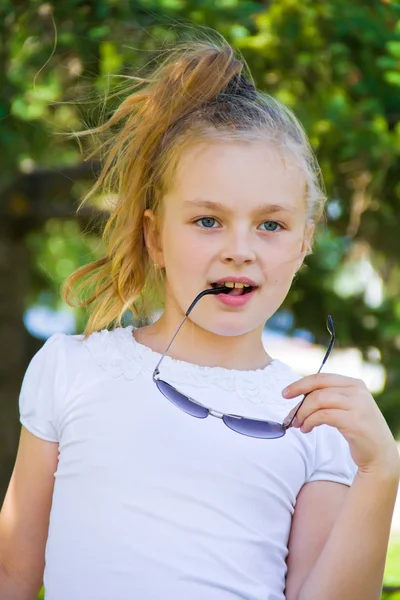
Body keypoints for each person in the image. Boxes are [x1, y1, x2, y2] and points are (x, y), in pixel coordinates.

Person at [1, 34, 399, 600]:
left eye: (271, 225)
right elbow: (12, 574)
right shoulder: (71, 371)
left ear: (305, 242)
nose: (240, 249)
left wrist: (380, 470)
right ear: (153, 236)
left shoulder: (316, 419)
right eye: (208, 221)